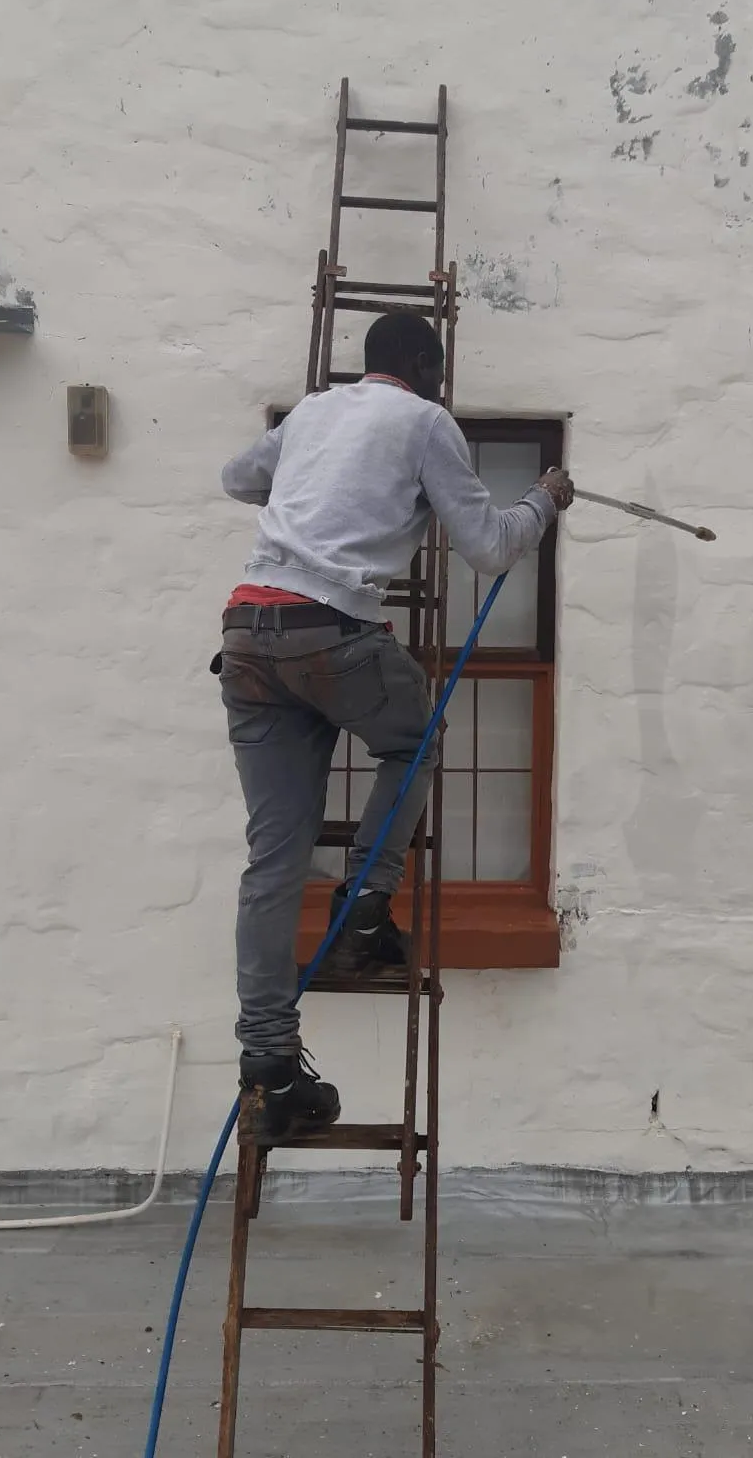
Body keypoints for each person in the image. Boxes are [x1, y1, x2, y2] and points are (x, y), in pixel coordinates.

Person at [217, 312, 574, 1144]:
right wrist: (543, 501)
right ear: (419, 360)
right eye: (438, 365)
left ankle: (269, 1068)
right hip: (331, 631)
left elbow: (238, 478)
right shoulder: (424, 420)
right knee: (415, 740)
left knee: (272, 861)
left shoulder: (313, 412)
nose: (443, 380)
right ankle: (367, 910)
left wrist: (313, 487)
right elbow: (489, 547)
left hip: (247, 637)